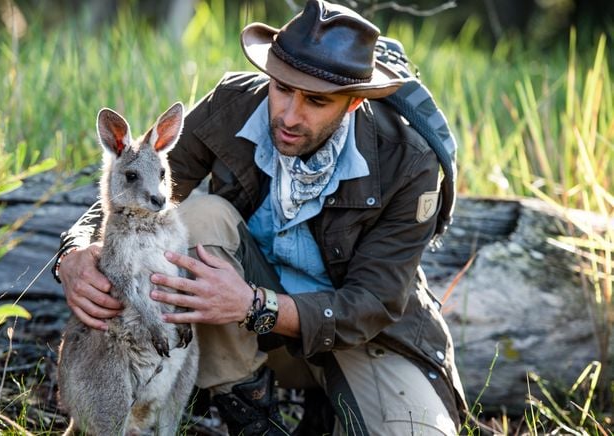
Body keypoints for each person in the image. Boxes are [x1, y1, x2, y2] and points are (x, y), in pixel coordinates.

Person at [53, 1, 467, 434]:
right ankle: (248, 412)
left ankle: (330, 406)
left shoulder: (409, 161)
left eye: (316, 100)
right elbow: (134, 191)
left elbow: (373, 303)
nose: (289, 115)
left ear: (352, 103)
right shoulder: (233, 106)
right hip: (254, 334)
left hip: (364, 338)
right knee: (201, 217)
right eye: (283, 88)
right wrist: (76, 250)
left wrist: (256, 305)